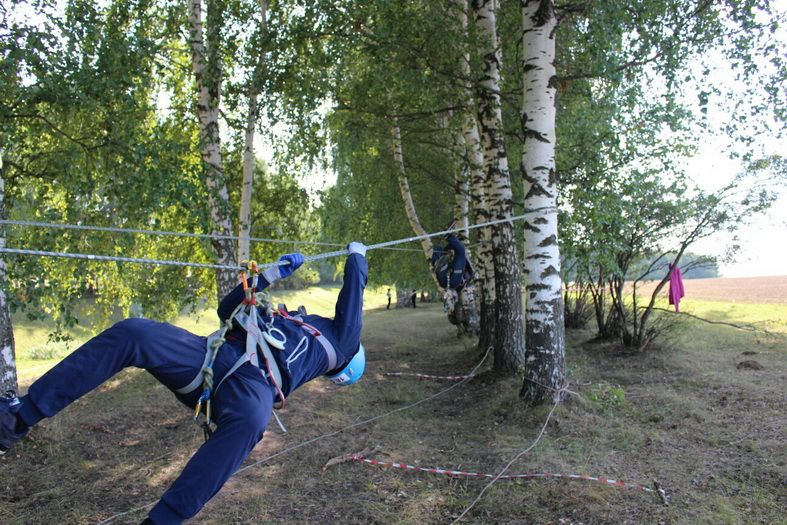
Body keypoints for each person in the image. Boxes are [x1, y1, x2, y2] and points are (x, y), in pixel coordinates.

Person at [0, 243, 369, 524]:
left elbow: (352, 303)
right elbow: (228, 312)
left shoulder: (341, 343)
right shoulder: (286, 318)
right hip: (206, 359)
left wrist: (358, 257)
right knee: (135, 333)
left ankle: (163, 520)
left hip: (253, 388)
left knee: (254, 422)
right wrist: (267, 276)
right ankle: (19, 416)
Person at [431, 233, 473, 312]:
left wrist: (455, 242)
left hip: (454, 279)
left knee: (460, 251)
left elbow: (462, 256)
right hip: (445, 280)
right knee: (438, 248)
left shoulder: (467, 276)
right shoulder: (468, 275)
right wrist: (454, 243)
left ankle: (449, 236)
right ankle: (436, 262)